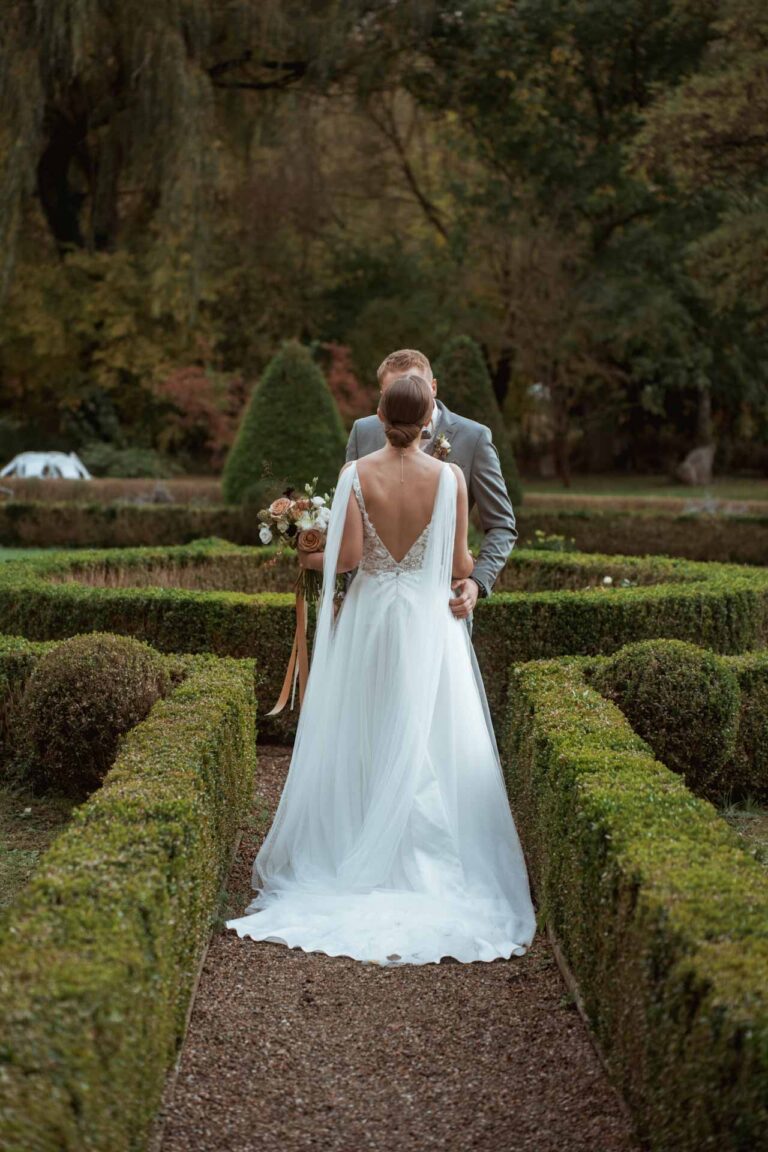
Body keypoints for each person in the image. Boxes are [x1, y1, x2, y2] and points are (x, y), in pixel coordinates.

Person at [225, 374, 537, 965]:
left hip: (370, 616)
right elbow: (459, 563)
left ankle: (357, 842)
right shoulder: (450, 478)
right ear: (429, 424)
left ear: (377, 412)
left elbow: (345, 559)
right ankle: (424, 853)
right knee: (427, 733)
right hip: (426, 621)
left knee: (364, 725)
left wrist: (303, 549)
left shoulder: (354, 474)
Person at [345, 348, 517, 625]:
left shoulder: (473, 437)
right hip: (369, 606)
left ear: (433, 387)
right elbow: (350, 522)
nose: (405, 398)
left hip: (443, 605)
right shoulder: (362, 431)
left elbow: (501, 524)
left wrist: (477, 581)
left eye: (415, 386)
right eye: (394, 391)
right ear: (382, 398)